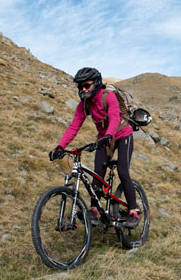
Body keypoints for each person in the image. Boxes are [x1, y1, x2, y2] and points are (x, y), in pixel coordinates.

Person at [49, 67, 139, 228]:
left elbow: (113, 117)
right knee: (98, 173)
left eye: (87, 85)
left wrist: (109, 134)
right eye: (80, 87)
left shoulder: (108, 97)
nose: (83, 89)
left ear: (96, 84)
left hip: (122, 134)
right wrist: (60, 147)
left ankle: (133, 211)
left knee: (123, 171)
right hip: (104, 139)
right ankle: (95, 211)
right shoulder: (84, 105)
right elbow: (74, 126)